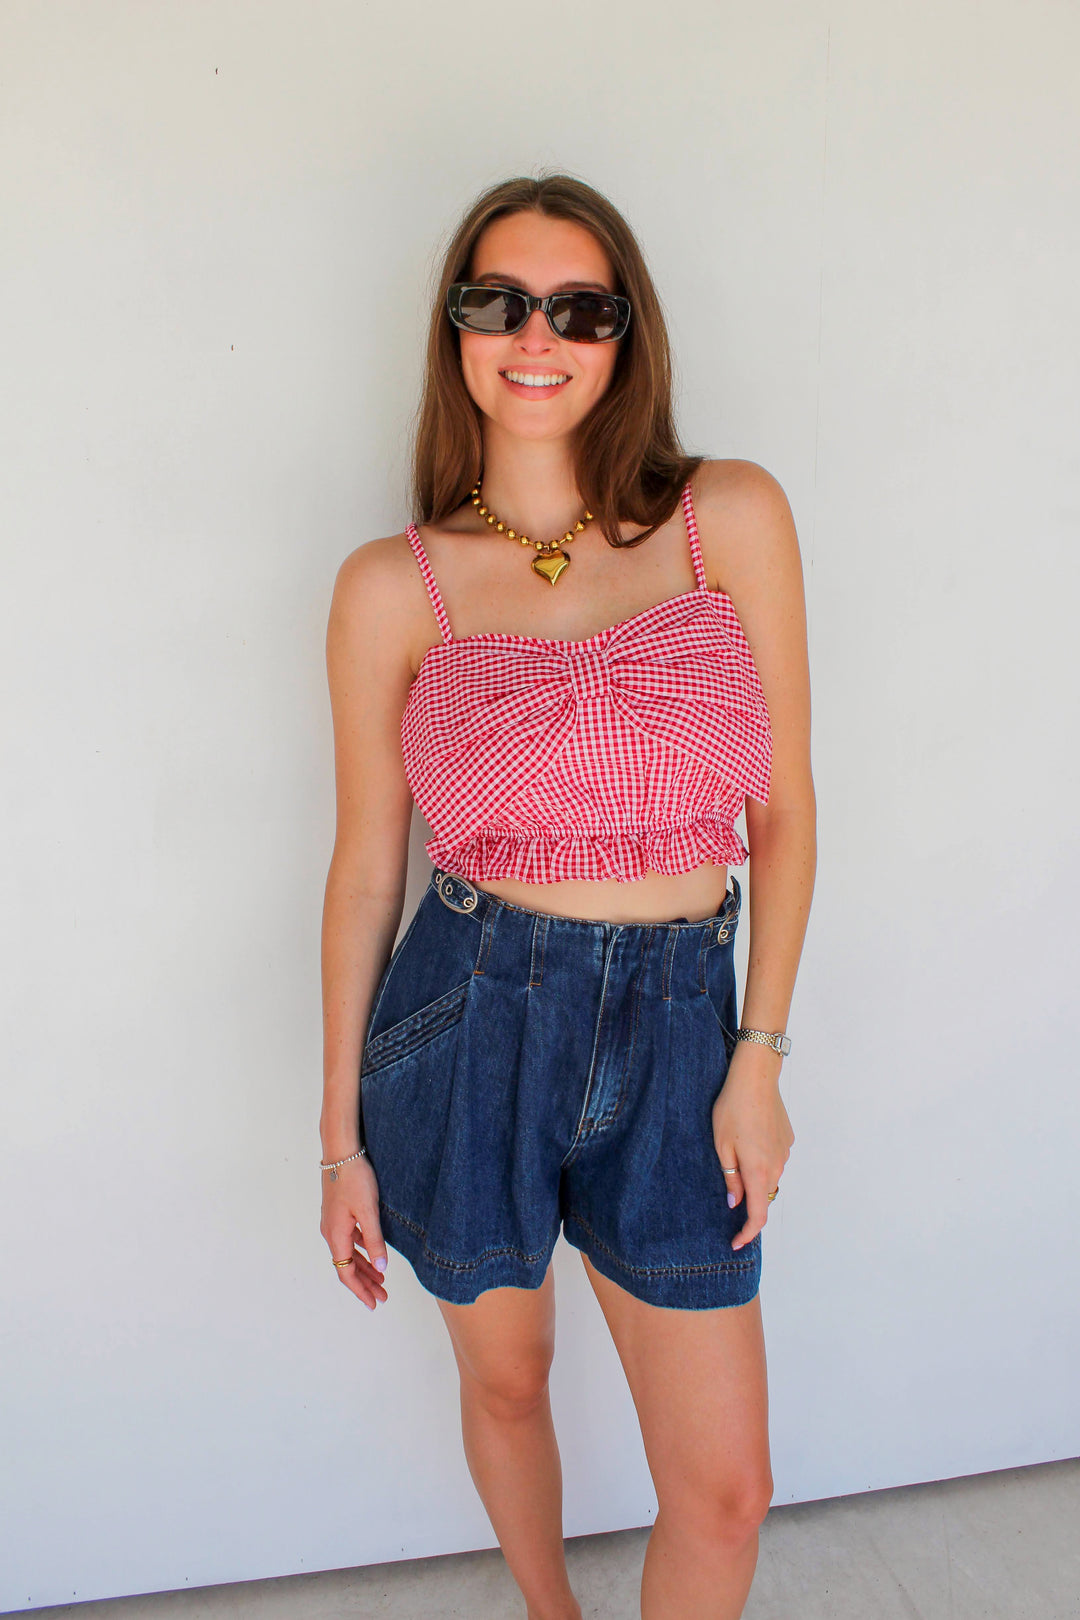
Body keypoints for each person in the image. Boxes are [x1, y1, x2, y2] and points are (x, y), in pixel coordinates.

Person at [319, 172, 815, 1620]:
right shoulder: (392, 588)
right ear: (456, 330)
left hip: (682, 1027)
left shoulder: (729, 519)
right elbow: (367, 869)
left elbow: (785, 815)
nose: (537, 337)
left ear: (625, 334)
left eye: (580, 309)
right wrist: (339, 1141)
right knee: (509, 1378)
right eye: (500, 302)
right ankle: (553, 1611)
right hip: (469, 1015)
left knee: (726, 1491)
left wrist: (759, 1058)